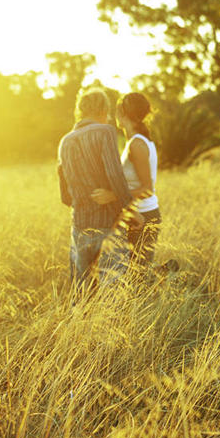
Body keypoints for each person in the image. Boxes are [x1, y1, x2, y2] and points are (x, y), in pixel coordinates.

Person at [57, 88, 143, 288]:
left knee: (82, 292)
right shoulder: (105, 132)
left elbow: (65, 197)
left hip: (79, 226)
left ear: (80, 110)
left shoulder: (65, 141)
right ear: (104, 109)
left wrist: (84, 200)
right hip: (108, 225)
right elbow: (114, 174)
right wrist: (130, 209)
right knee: (113, 292)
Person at [91, 92, 161, 270]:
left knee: (139, 277)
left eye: (116, 111)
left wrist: (112, 196)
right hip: (134, 215)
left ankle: (167, 273)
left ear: (122, 112)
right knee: (135, 272)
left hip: (144, 215)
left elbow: (147, 189)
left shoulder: (137, 144)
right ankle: (164, 272)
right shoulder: (133, 142)